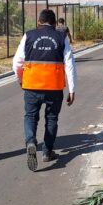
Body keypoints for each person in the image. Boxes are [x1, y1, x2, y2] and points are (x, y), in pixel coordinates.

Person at [13, 9, 77, 171]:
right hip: (54, 86)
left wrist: (21, 79)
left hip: (32, 85)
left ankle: (31, 142)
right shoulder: (61, 37)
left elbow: (17, 62)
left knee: (30, 116)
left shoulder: (28, 35)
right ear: (55, 24)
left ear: (38, 22)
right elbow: (69, 65)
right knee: (52, 118)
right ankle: (47, 152)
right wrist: (72, 89)